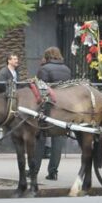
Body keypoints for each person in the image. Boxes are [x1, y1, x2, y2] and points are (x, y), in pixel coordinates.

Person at [34, 47, 72, 181]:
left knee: (39, 138)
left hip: (49, 108)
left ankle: (34, 169)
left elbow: (41, 90)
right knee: (58, 141)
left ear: (47, 56)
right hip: (63, 108)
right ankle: (53, 171)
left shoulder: (44, 69)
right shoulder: (67, 69)